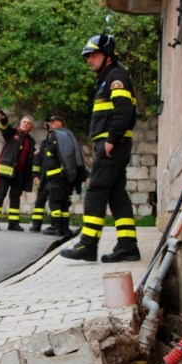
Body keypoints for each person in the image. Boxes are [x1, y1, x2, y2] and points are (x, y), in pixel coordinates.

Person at [61, 34, 140, 263]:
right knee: (116, 194)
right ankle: (127, 246)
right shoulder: (108, 78)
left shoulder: (116, 77)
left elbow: (124, 111)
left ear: (107, 55)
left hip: (112, 145)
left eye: (93, 55)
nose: (89, 60)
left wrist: (111, 140)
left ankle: (88, 244)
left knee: (96, 190)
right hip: (113, 145)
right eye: (87, 56)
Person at [29, 114, 86, 236]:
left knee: (54, 201)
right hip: (59, 177)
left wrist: (47, 147)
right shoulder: (66, 136)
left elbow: (56, 152)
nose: (50, 124)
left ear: (61, 123)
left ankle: (55, 227)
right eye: (49, 122)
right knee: (63, 203)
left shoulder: (59, 135)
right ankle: (63, 228)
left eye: (53, 122)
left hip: (58, 177)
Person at [0, 111, 36, 231]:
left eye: (28, 123)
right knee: (0, 195)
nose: (26, 124)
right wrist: (3, 119)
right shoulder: (12, 133)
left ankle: (13, 223)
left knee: (15, 197)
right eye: (24, 122)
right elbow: (5, 128)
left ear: (31, 127)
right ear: (20, 123)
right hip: (6, 170)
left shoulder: (31, 141)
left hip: (20, 173)